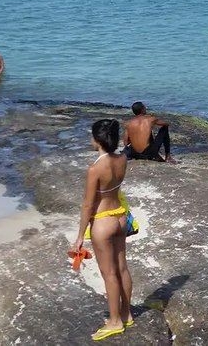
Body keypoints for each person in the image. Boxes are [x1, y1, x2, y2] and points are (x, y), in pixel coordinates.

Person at [71, 119, 132, 341]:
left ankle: (115, 322)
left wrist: (79, 236)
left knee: (109, 274)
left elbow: (88, 204)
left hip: (103, 221)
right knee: (122, 268)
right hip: (119, 217)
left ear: (97, 140)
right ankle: (126, 314)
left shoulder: (95, 168)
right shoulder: (123, 158)